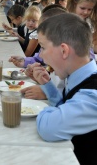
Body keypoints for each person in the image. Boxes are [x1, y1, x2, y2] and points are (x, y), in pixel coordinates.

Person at [33, 13, 97, 165]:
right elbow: (66, 107)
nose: (41, 56)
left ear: (64, 51)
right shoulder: (78, 77)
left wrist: (46, 112)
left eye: (42, 47)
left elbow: (48, 127)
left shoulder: (93, 95)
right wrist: (48, 86)